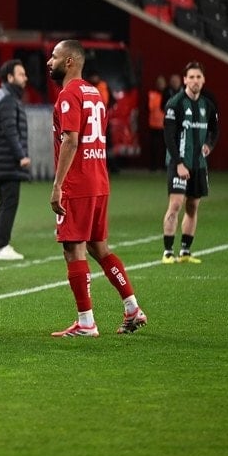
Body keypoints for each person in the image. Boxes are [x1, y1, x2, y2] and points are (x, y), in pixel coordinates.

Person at [47, 40, 146, 337]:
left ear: (69, 62)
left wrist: (58, 185)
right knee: (98, 246)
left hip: (78, 182)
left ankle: (86, 322)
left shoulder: (69, 94)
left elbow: (71, 139)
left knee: (72, 247)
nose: (49, 61)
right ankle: (132, 308)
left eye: (54, 56)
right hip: (99, 179)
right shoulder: (94, 93)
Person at [161, 61, 220, 264]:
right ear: (185, 80)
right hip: (179, 163)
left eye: (198, 77)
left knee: (193, 206)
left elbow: (215, 130)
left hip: (199, 164)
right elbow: (169, 136)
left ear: (203, 80)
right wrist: (178, 163)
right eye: (191, 77)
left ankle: (185, 251)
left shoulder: (208, 105)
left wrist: (209, 145)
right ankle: (168, 252)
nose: (195, 80)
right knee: (176, 204)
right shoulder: (175, 104)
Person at [0, 58, 31, 261]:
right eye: (21, 74)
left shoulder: (2, 96)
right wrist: (21, 156)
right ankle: (2, 245)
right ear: (10, 77)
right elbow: (10, 130)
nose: (25, 78)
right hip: (7, 161)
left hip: (0, 160)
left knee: (4, 203)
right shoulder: (8, 99)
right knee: (9, 202)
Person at [147, 75, 168, 171]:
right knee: (154, 147)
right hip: (154, 125)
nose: (160, 85)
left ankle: (164, 166)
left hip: (165, 125)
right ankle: (153, 166)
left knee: (165, 147)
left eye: (162, 83)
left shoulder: (168, 94)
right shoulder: (152, 94)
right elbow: (149, 108)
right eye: (159, 83)